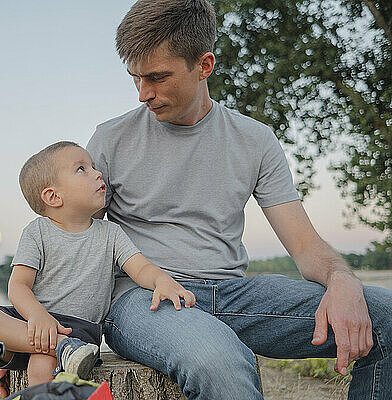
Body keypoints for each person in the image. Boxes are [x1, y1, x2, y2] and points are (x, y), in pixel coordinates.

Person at [83, 0, 392, 399]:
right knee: (220, 361)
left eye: (158, 77)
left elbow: (303, 244)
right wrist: (36, 336)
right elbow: (72, 237)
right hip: (144, 301)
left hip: (233, 295)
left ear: (204, 66)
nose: (144, 93)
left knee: (385, 315)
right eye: (136, 78)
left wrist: (342, 278)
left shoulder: (255, 140)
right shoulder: (110, 140)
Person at [0, 141, 194, 388]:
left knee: (40, 365)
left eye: (93, 166)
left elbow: (140, 268)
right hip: (31, 321)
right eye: (82, 169)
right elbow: (18, 286)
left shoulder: (110, 233)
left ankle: (61, 348)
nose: (97, 173)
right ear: (53, 196)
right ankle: (60, 348)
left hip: (77, 329)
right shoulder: (37, 231)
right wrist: (38, 316)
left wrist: (161, 280)